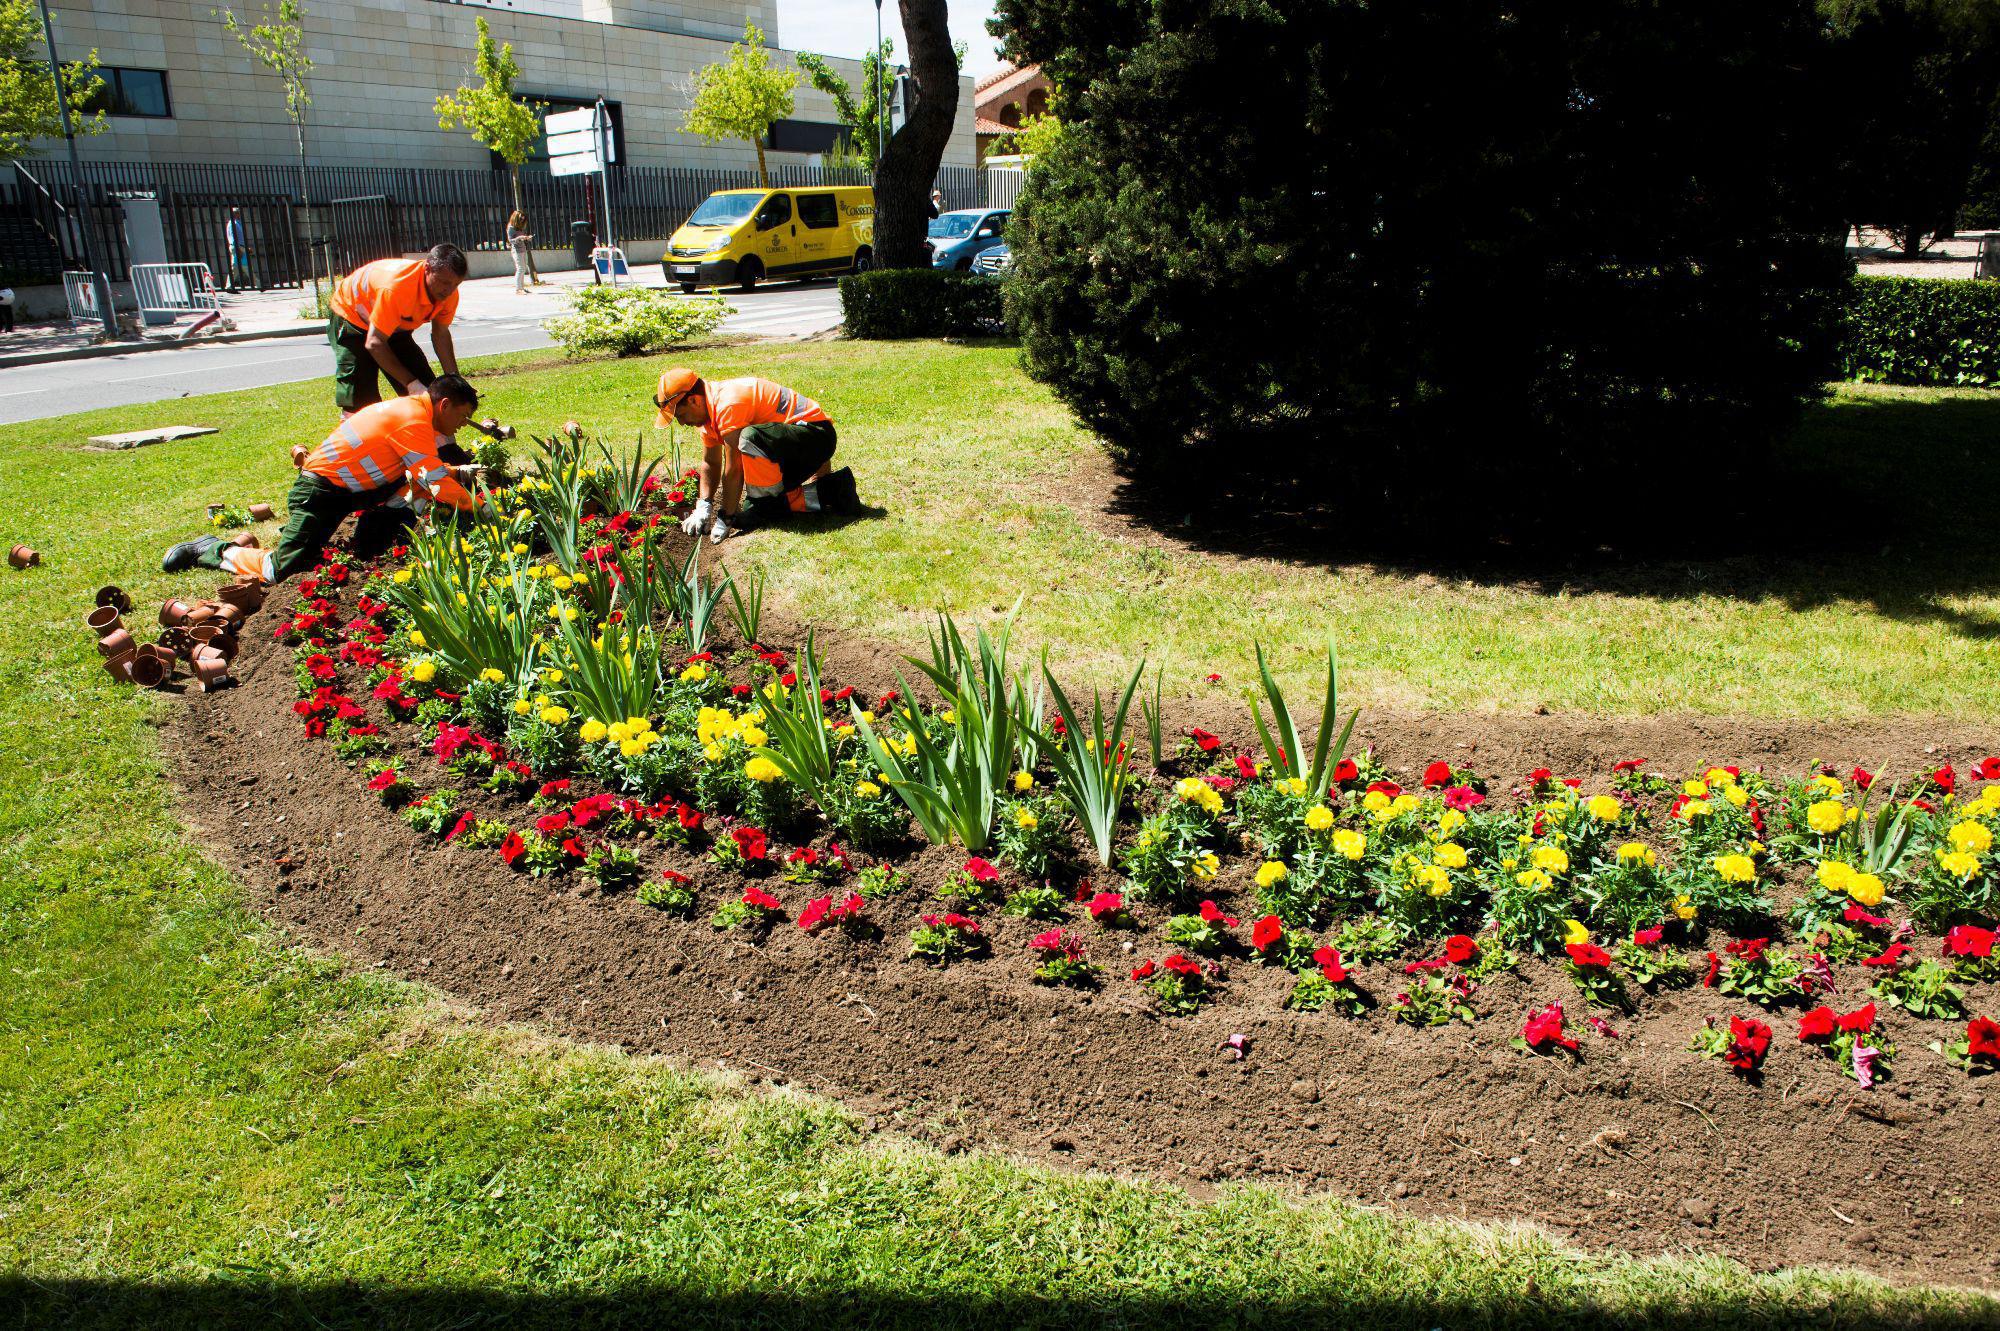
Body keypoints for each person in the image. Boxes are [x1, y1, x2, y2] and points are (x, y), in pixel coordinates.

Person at [161, 375, 484, 584]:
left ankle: (373, 542)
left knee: (412, 491)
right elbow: (436, 480)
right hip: (320, 493)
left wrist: (458, 478)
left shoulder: (414, 412)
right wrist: (482, 509)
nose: (462, 423)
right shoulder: (411, 420)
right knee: (281, 570)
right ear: (444, 405)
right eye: (462, 415)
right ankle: (212, 549)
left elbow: (422, 474)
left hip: (356, 490)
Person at [654, 366, 860, 542]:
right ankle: (833, 490)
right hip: (796, 443)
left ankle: (770, 505)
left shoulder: (728, 404)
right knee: (753, 507)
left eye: (680, 415)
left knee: (750, 439)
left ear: (693, 401)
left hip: (815, 437)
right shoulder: (708, 412)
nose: (681, 422)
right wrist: (704, 505)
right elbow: (711, 463)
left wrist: (725, 517)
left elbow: (734, 468)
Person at [326, 243, 467, 417]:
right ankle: (352, 437)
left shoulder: (449, 294)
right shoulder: (397, 287)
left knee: (429, 394)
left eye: (455, 284)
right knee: (361, 398)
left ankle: (437, 442)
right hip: (351, 318)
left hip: (392, 326)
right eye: (444, 282)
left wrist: (455, 380)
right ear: (427, 269)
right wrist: (411, 384)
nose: (449, 290)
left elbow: (441, 334)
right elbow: (375, 343)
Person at [225, 208, 254, 291]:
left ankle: (258, 284)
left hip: (240, 246)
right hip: (237, 247)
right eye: (237, 213)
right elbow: (233, 238)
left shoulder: (238, 223)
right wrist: (238, 249)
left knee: (242, 266)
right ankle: (229, 287)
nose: (239, 214)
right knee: (237, 267)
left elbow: (240, 237)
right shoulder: (232, 224)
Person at [506, 210, 533, 294]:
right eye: (520, 218)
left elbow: (520, 238)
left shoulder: (519, 227)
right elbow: (510, 240)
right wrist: (520, 237)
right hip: (516, 251)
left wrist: (527, 238)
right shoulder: (511, 227)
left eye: (523, 219)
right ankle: (518, 289)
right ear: (516, 218)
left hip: (522, 249)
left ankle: (522, 288)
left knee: (523, 268)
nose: (522, 220)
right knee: (520, 269)